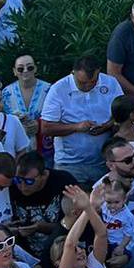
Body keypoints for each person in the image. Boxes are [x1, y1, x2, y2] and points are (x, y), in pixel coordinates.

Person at [39, 54, 124, 185]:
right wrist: (76, 127)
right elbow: (45, 127)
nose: (88, 86)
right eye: (82, 83)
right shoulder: (58, 89)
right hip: (70, 164)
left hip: (104, 161)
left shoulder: (110, 83)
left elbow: (122, 113)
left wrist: (107, 126)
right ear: (73, 73)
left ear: (99, 72)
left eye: (93, 82)